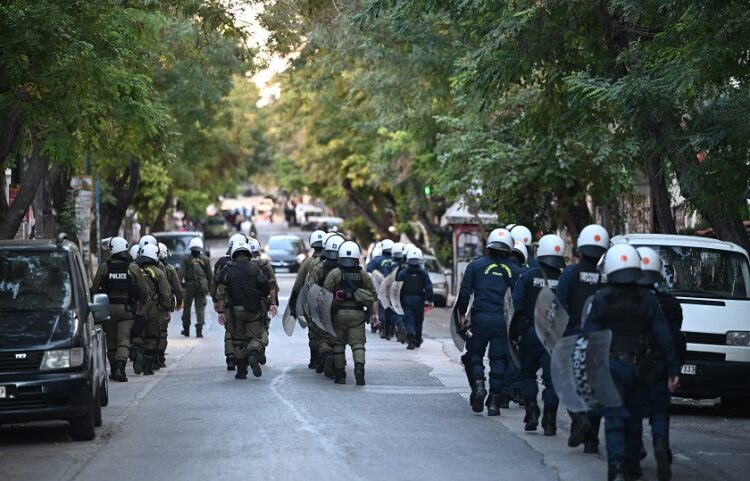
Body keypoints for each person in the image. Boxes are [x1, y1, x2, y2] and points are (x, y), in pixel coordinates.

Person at [584, 244, 680, 481]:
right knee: (634, 417)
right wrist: (673, 369)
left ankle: (615, 467)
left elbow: (589, 337)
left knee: (615, 416)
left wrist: (588, 372)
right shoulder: (647, 299)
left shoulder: (601, 299)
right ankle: (632, 466)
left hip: (611, 366)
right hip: (639, 367)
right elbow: (664, 335)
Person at [555, 224, 610, 452]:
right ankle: (592, 440)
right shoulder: (608, 276)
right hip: (600, 340)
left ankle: (579, 418)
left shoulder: (570, 273)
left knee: (568, 383)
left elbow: (559, 306)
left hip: (574, 335)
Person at [457, 228, 522, 415]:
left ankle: (478, 385)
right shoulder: (517, 270)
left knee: (475, 354)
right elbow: (519, 300)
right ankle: (494, 401)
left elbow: (463, 295)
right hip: (503, 320)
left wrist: (462, 316)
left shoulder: (475, 266)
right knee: (498, 359)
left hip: (480, 318)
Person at [636, 246, 684, 481]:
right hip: (659, 365)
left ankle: (633, 455)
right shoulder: (670, 303)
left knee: (631, 412)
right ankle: (660, 443)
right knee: (659, 412)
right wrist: (674, 369)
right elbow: (673, 338)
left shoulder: (621, 299)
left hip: (632, 365)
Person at [512, 234, 566, 433]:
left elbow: (516, 306)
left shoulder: (528, 275)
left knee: (528, 374)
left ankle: (532, 410)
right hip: (554, 334)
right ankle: (550, 420)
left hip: (531, 333)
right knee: (552, 380)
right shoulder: (564, 278)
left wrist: (515, 332)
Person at [92, 237, 147, 382]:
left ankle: (113, 368)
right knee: (123, 339)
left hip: (108, 309)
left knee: (111, 341)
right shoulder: (133, 268)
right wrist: (141, 303)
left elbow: (95, 287)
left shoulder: (105, 267)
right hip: (127, 310)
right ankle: (121, 369)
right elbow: (143, 290)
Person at [324, 240, 377, 385]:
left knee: (339, 344)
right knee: (358, 345)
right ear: (357, 257)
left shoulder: (334, 273)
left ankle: (340, 375)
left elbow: (325, 295)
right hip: (358, 316)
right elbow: (373, 296)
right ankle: (359, 368)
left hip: (338, 315)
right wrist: (374, 315)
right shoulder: (363, 274)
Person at [215, 240, 270, 379]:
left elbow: (221, 292)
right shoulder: (256, 268)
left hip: (234, 311)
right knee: (256, 336)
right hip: (254, 309)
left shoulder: (227, 269)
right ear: (248, 253)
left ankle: (241, 371)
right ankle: (253, 352)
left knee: (238, 340)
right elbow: (265, 289)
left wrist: (221, 312)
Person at [133, 243, 172, 376]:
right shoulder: (159, 273)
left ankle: (137, 353)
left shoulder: (133, 270)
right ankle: (147, 368)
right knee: (151, 336)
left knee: (138, 334)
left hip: (137, 308)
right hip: (153, 309)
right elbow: (166, 294)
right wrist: (167, 309)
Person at [289, 230, 327, 369]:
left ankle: (315, 360)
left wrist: (293, 306)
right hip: (332, 303)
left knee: (313, 331)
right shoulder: (336, 262)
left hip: (312, 303)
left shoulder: (308, 262)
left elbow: (298, 285)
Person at [309, 233, 345, 377]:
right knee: (339, 337)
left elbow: (311, 286)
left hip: (323, 306)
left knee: (322, 336)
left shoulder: (319, 267)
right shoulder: (348, 269)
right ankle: (338, 364)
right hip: (342, 307)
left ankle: (325, 353)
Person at [211, 233, 247, 371]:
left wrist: (216, 301)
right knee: (243, 330)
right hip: (244, 302)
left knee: (229, 330)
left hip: (226, 302)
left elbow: (215, 282)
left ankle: (230, 357)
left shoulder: (221, 263)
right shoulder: (249, 263)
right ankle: (243, 356)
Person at [248, 237, 279, 365]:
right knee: (263, 327)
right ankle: (260, 350)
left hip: (244, 302)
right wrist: (273, 302)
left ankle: (248, 353)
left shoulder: (241, 265)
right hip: (262, 302)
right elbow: (273, 285)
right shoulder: (264, 264)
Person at [397, 246, 433, 350]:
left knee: (409, 320)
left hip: (406, 299)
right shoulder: (423, 273)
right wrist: (429, 300)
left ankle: (411, 339)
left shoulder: (402, 273)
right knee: (419, 320)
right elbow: (429, 287)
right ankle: (417, 339)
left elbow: (397, 288)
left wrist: (398, 301)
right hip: (419, 300)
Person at [158, 243, 183, 368]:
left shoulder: (139, 268)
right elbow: (178, 289)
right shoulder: (170, 269)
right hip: (164, 306)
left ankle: (149, 357)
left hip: (146, 306)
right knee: (162, 332)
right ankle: (160, 357)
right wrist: (179, 303)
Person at [180, 237, 211, 338]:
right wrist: (211, 289)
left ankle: (186, 330)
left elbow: (180, 274)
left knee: (186, 308)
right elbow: (210, 276)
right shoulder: (206, 260)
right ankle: (199, 331)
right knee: (200, 308)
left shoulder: (186, 259)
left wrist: (178, 287)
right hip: (202, 286)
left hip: (189, 286)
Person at [366, 239, 395, 338]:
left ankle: (383, 328)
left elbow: (368, 270)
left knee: (383, 308)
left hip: (382, 289)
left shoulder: (377, 259)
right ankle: (395, 328)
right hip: (394, 288)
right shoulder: (396, 260)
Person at [389, 242, 408, 343]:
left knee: (397, 312)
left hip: (397, 292)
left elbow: (389, 280)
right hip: (409, 292)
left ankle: (400, 327)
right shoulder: (410, 266)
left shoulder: (394, 266)